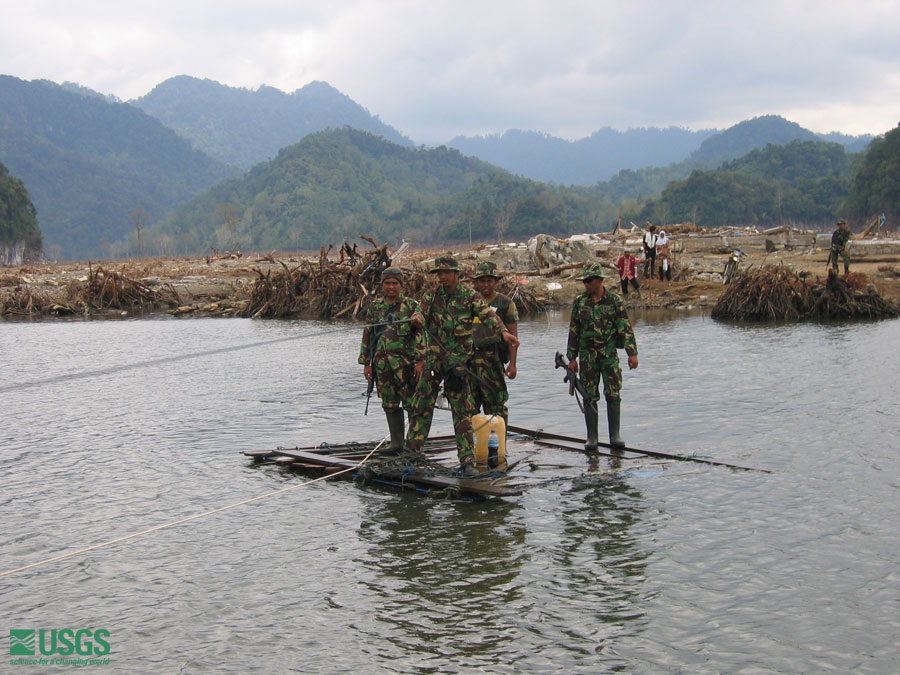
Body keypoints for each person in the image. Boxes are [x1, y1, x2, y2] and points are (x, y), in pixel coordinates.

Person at [407, 255, 519, 476]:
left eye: (447, 273)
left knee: (462, 412)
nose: (443, 277)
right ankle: (413, 454)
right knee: (421, 406)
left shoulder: (469, 296)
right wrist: (416, 318)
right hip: (434, 360)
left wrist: (504, 332)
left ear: (456, 274)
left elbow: (488, 315)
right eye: (440, 273)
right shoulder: (431, 295)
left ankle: (467, 460)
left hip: (458, 363)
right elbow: (420, 311)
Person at [566, 262, 638, 451]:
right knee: (589, 396)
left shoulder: (614, 301)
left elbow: (625, 327)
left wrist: (632, 354)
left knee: (613, 394)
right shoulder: (580, 302)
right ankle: (592, 438)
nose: (587, 284)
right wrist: (572, 358)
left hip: (609, 355)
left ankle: (615, 435)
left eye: (590, 281)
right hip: (587, 357)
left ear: (599, 280)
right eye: (584, 281)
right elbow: (573, 331)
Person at [358, 267, 426, 453]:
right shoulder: (375, 307)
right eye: (387, 283)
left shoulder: (411, 306)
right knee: (389, 403)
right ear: (382, 285)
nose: (391, 287)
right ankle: (396, 444)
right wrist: (366, 364)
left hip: (406, 365)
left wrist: (420, 362)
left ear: (401, 285)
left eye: (395, 283)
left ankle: (414, 446)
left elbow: (421, 332)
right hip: (382, 365)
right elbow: (368, 335)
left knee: (412, 403)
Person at [470, 261, 519, 426]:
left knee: (496, 405)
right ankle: (475, 445)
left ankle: (499, 446)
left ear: (495, 282)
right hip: (469, 360)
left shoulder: (506, 303)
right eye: (482, 281)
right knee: (469, 406)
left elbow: (513, 338)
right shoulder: (469, 302)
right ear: (476, 282)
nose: (485, 285)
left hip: (493, 361)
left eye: (489, 281)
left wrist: (512, 364)